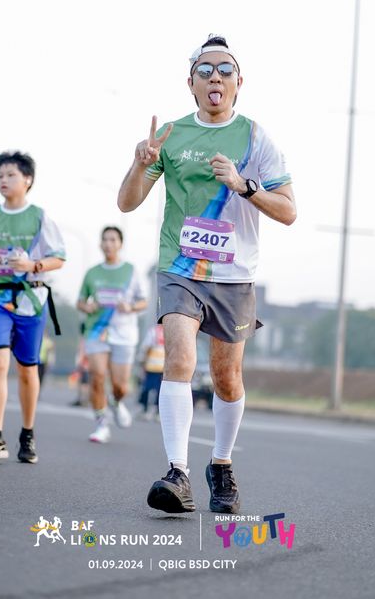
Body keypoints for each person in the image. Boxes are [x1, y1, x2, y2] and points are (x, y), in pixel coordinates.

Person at [117, 35, 296, 514]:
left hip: (234, 274)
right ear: (191, 83)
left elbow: (288, 210)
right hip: (179, 267)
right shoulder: (170, 134)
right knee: (178, 358)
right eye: (205, 70)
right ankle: (177, 472)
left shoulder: (255, 137)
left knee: (226, 377)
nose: (215, 76)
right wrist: (139, 164)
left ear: (239, 82)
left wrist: (243, 185)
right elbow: (127, 203)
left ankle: (220, 463)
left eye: (225, 69)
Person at [0, 151, 66, 463]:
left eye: (11, 174)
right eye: (1, 175)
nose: (4, 180)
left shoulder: (39, 217)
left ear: (27, 179)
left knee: (27, 369)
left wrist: (32, 265)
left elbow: (59, 258)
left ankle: (27, 433)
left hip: (31, 301)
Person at [77, 226, 147, 443]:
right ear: (100, 244)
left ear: (120, 244)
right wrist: (88, 307)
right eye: (105, 239)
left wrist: (130, 307)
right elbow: (80, 301)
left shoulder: (130, 271)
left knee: (120, 386)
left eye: (113, 240)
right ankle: (101, 424)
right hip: (96, 331)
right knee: (97, 375)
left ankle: (116, 402)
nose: (108, 244)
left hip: (124, 333)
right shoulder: (92, 273)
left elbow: (143, 301)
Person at [138, 324, 165, 419]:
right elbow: (146, 348)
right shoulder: (170, 331)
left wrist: (142, 362)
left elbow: (145, 348)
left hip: (153, 366)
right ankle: (156, 412)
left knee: (148, 388)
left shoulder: (153, 331)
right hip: (159, 367)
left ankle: (146, 410)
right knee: (159, 390)